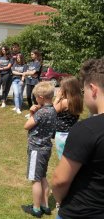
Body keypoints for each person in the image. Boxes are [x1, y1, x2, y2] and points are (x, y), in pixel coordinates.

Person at [52, 58, 104, 218]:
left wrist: (60, 199)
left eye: (84, 91)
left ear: (93, 89)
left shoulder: (86, 130)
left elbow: (60, 180)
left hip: (82, 212)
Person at [22, 81, 56, 218]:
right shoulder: (53, 110)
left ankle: (36, 209)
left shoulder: (41, 112)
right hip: (46, 147)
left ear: (41, 97)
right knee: (42, 177)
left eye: (36, 96)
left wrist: (31, 112)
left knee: (35, 179)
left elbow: (27, 125)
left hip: (36, 148)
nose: (35, 99)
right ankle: (45, 205)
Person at [52, 77, 83, 160]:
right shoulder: (77, 100)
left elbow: (51, 111)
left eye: (62, 87)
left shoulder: (65, 102)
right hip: (72, 132)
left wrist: (57, 98)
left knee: (63, 159)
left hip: (62, 134)